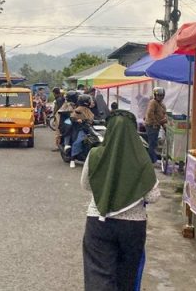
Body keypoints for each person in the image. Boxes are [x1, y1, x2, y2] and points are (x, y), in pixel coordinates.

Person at [81, 109, 160, 291]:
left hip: (99, 220)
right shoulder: (142, 159)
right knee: (127, 274)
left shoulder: (95, 154)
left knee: (98, 272)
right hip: (133, 226)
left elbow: (86, 185)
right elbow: (153, 196)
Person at [66, 94, 95, 168]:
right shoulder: (78, 109)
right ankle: (72, 159)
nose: (90, 102)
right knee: (78, 142)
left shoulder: (88, 109)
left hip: (89, 128)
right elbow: (72, 117)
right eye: (89, 101)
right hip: (81, 129)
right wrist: (77, 120)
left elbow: (92, 118)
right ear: (85, 102)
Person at [144, 87, 167, 164]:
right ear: (155, 95)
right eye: (158, 95)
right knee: (152, 143)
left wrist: (164, 125)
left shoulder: (161, 105)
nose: (160, 97)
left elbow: (163, 115)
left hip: (157, 126)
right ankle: (152, 160)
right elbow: (150, 114)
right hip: (151, 126)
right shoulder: (153, 102)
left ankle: (152, 160)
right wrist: (155, 123)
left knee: (154, 143)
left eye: (161, 95)